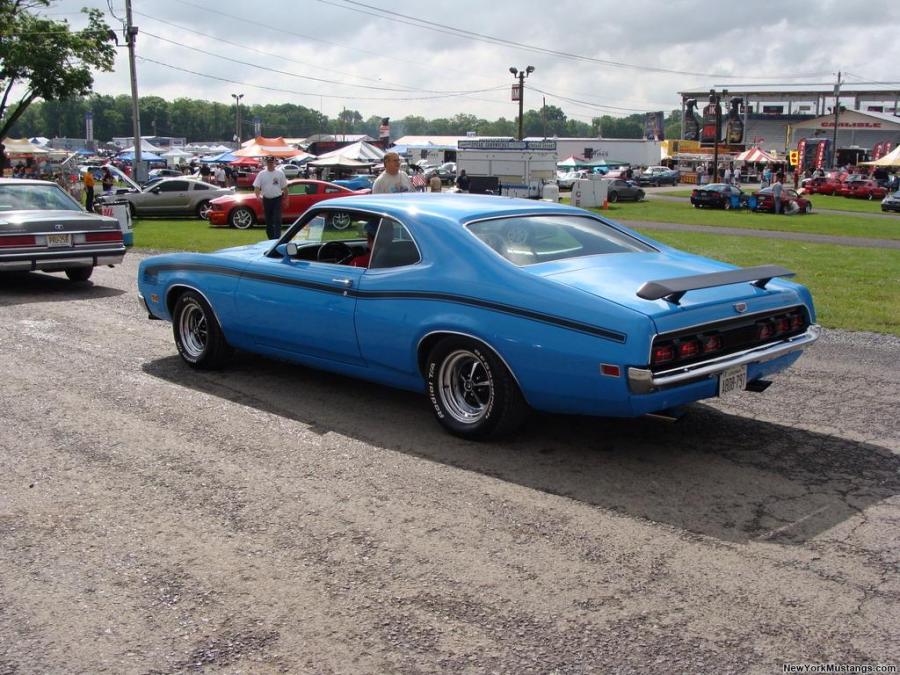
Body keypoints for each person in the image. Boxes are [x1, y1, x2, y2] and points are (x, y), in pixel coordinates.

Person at [253, 156, 288, 240]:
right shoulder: (261, 174)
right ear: (266, 163)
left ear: (274, 162)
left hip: (277, 199)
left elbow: (285, 187)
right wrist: (258, 196)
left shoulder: (280, 173)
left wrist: (286, 198)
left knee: (277, 219)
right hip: (266, 200)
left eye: (271, 162)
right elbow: (257, 187)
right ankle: (271, 239)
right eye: (268, 162)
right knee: (268, 221)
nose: (270, 164)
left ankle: (276, 239)